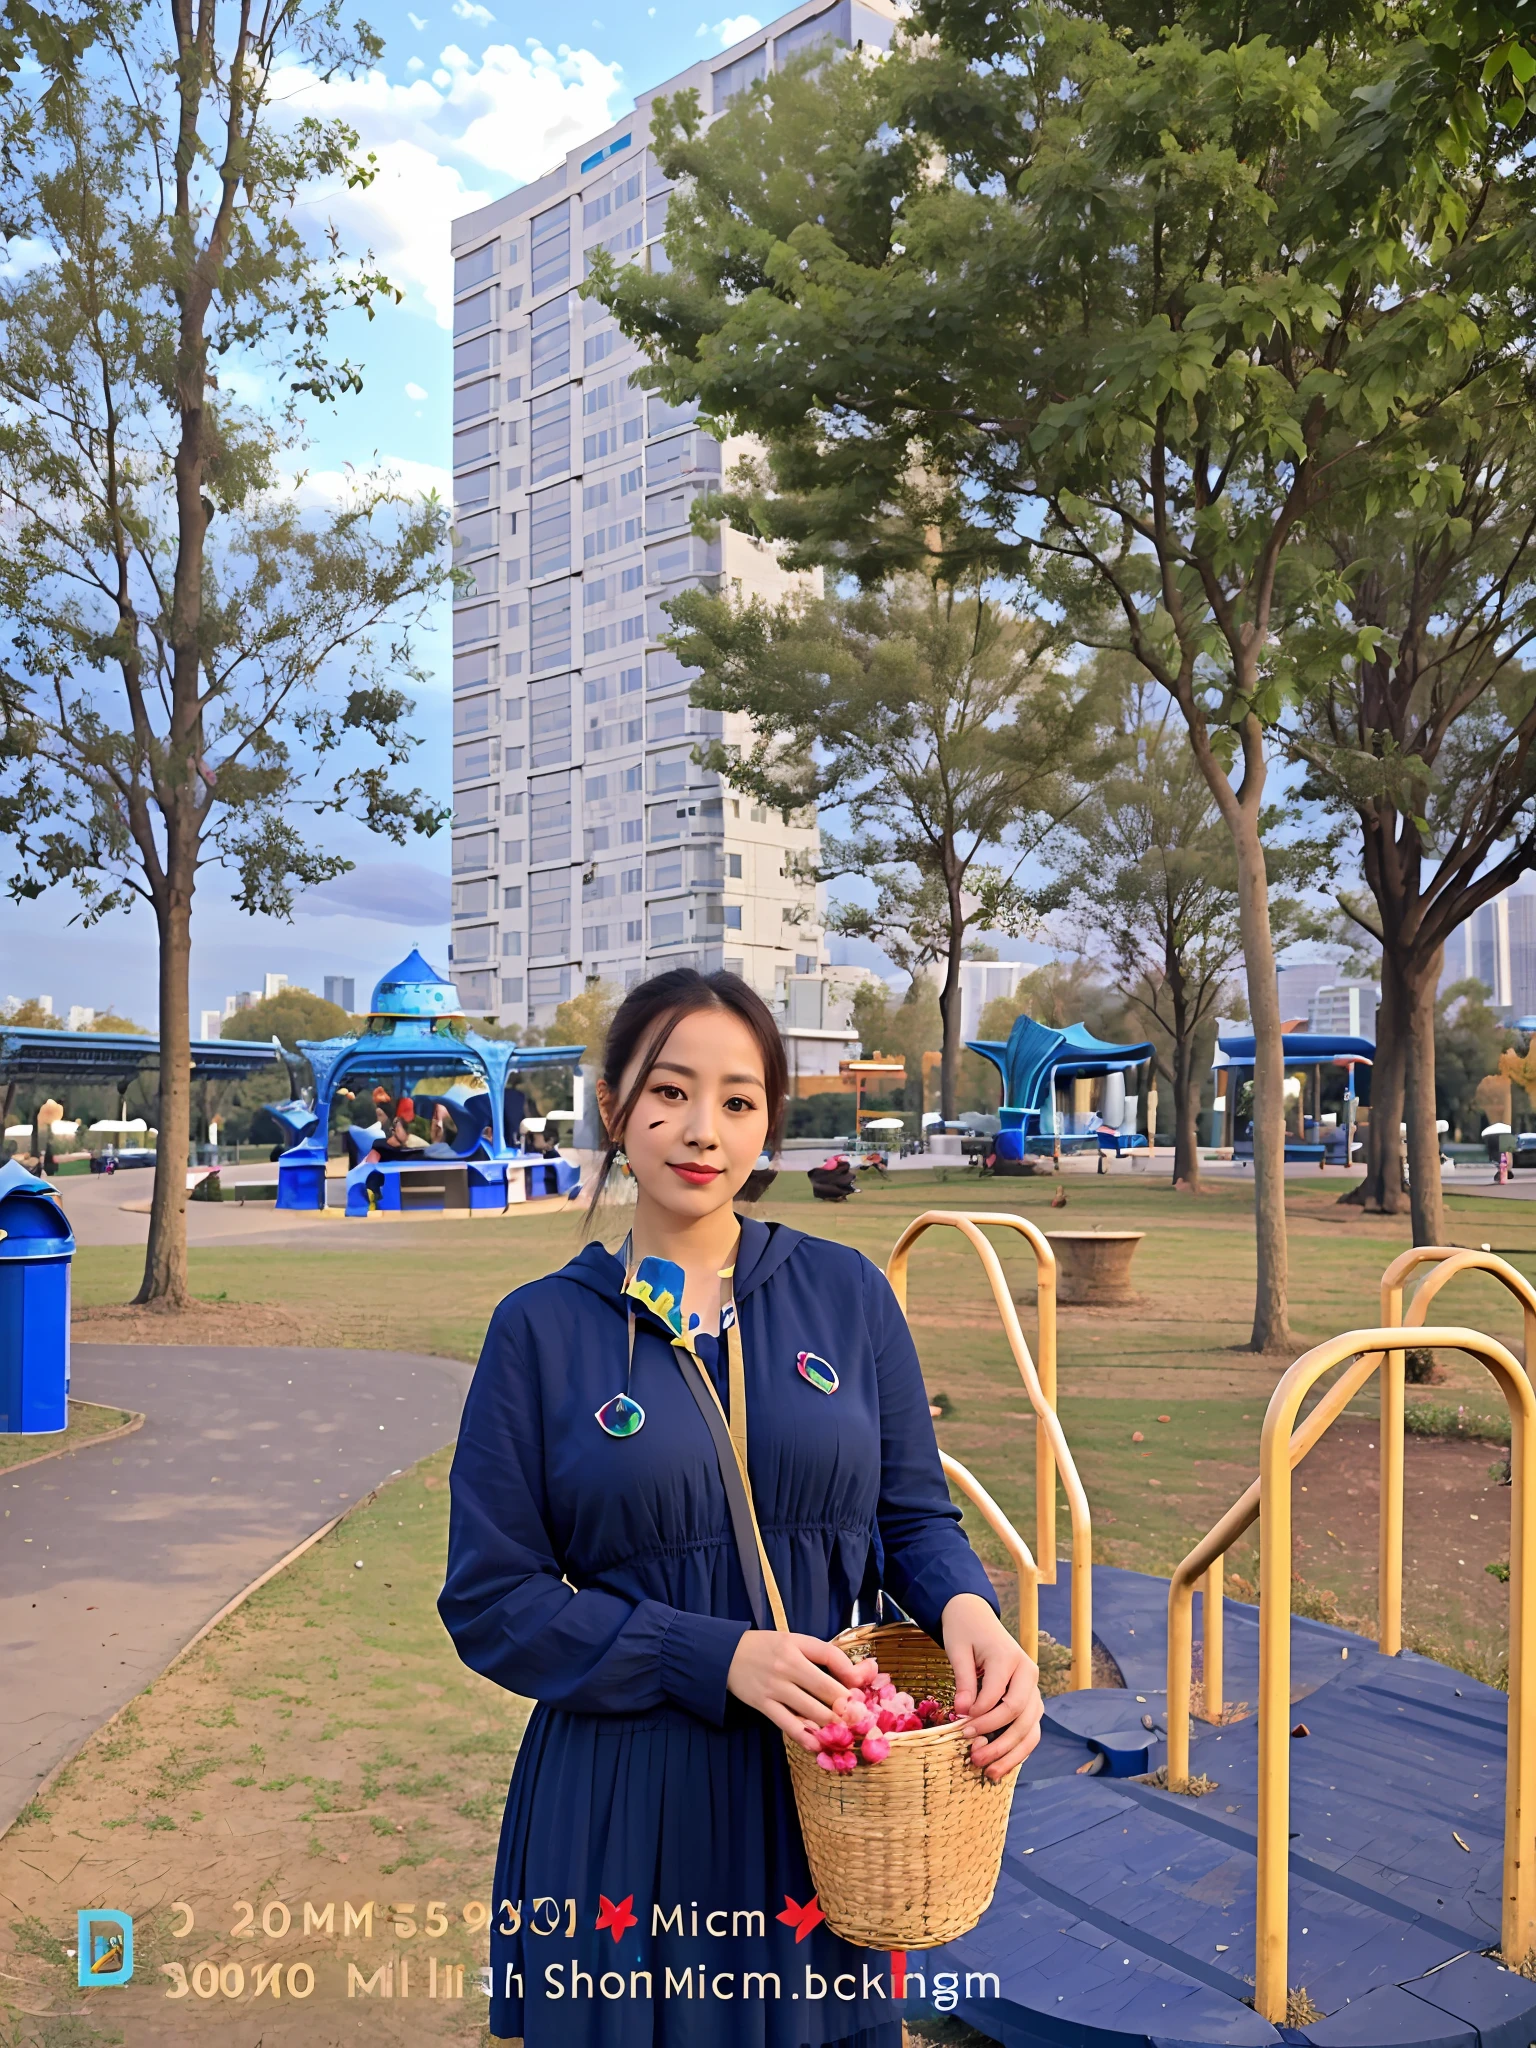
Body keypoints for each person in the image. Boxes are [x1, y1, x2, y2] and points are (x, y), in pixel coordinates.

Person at [440, 968, 1043, 2048]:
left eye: (738, 1098)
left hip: (833, 1795)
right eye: (669, 1091)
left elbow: (913, 1514)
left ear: (769, 1118)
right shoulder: (536, 1331)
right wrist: (708, 1655)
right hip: (631, 1811)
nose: (702, 1129)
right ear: (616, 1105)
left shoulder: (845, 1292)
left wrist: (971, 1614)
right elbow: (493, 1600)